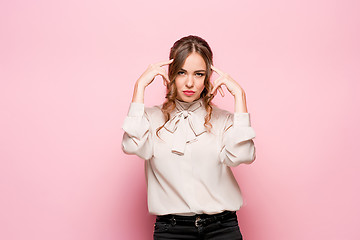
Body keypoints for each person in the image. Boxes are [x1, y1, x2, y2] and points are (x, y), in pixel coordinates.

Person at [122, 35, 256, 240]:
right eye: (182, 72)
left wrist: (240, 97)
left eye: (199, 74)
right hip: (172, 230)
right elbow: (132, 145)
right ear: (171, 74)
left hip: (222, 228)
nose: (190, 82)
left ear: (208, 77)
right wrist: (139, 87)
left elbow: (241, 156)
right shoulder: (149, 118)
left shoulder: (224, 120)